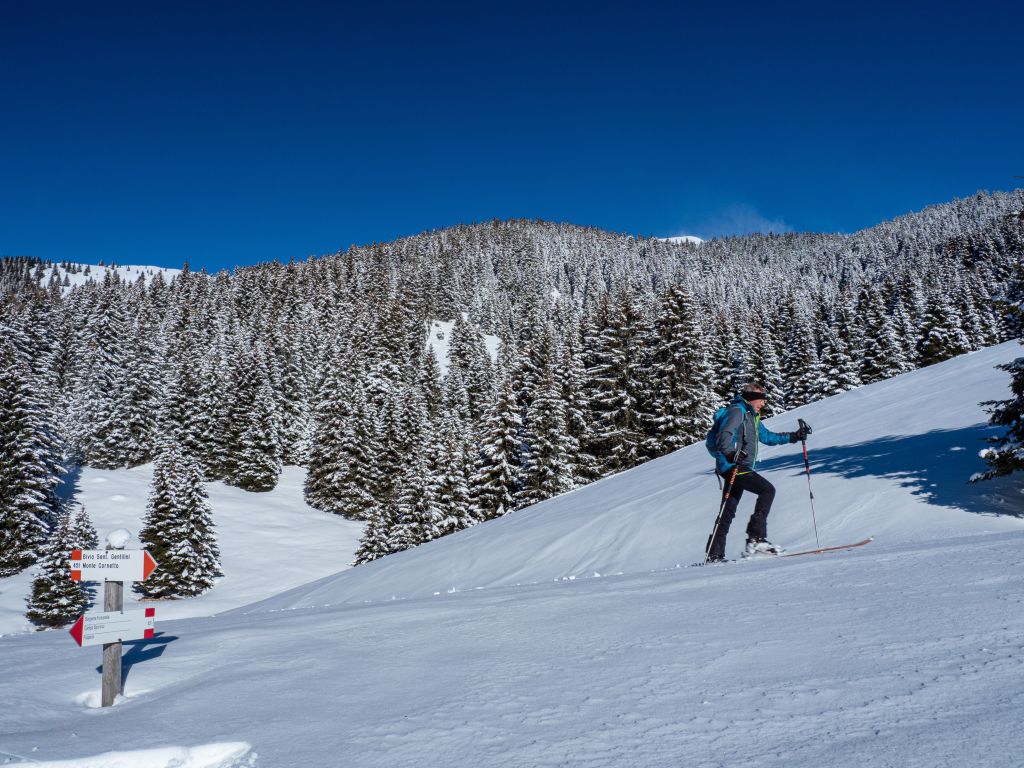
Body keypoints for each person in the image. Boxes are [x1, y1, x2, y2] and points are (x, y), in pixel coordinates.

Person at [707, 384, 810, 562]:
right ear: (751, 398)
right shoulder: (737, 411)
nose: (763, 404)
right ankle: (755, 540)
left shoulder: (752, 416)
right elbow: (724, 436)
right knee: (767, 490)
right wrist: (731, 454)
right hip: (733, 465)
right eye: (761, 399)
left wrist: (794, 436)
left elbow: (767, 437)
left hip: (735, 466)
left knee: (728, 510)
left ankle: (714, 554)